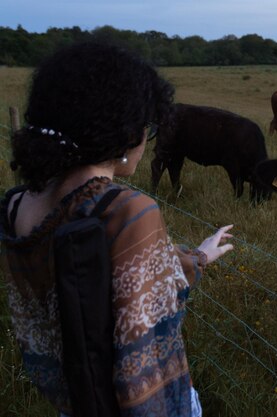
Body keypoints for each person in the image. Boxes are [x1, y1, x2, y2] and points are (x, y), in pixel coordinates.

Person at [0, 41, 234, 416]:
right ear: (125, 133)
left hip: (71, 399)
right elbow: (141, 358)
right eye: (147, 127)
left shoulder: (16, 205)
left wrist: (199, 256)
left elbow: (113, 278)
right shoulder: (127, 211)